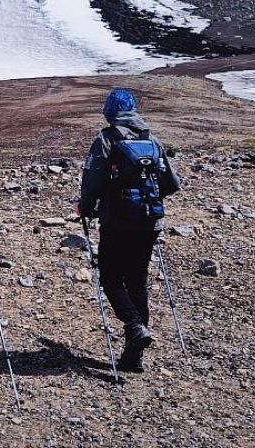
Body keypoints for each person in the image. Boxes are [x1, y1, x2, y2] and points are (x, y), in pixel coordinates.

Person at [78, 88, 181, 373]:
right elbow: (172, 184)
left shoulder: (106, 139)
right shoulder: (152, 139)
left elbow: (93, 181)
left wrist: (86, 207)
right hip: (149, 222)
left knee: (111, 278)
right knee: (137, 280)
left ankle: (134, 327)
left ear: (109, 111)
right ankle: (133, 357)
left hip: (116, 222)